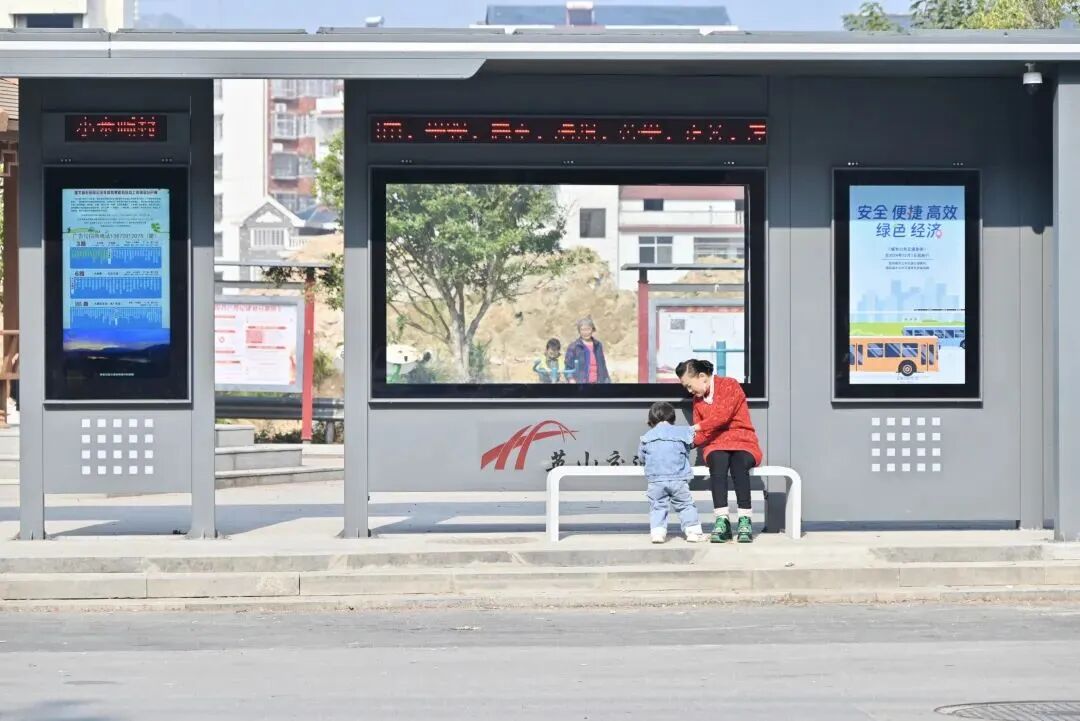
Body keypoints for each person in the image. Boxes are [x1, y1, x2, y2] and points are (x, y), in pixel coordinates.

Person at [676, 358, 763, 544]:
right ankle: (722, 521)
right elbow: (704, 434)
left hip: (743, 440)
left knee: (740, 465)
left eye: (689, 386)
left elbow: (722, 416)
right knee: (718, 463)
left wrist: (694, 428)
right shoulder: (697, 400)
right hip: (716, 443)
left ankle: (745, 520)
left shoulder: (730, 385)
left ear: (702, 376)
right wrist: (682, 443)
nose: (690, 391)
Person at [637, 401, 707, 544]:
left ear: (651, 419)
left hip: (656, 480)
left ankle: (658, 534)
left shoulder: (647, 437)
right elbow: (692, 443)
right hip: (678, 479)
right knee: (685, 505)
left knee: (658, 506)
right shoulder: (682, 432)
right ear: (672, 417)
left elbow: (641, 457)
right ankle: (693, 533)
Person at [564, 317, 611, 384]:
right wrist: (571, 379)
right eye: (583, 330)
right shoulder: (574, 347)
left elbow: (603, 366)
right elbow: (568, 367)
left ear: (592, 329)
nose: (585, 332)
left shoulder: (598, 345)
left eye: (588, 329)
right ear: (579, 331)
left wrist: (607, 380)